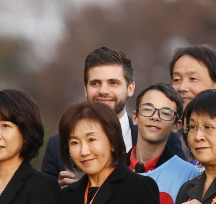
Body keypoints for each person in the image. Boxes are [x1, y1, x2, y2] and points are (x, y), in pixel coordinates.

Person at [42, 47, 186, 188]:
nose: (103, 91)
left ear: (130, 88)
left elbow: (184, 184)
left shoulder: (164, 137)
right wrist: (59, 193)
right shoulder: (58, 144)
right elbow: (43, 203)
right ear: (85, 89)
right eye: (95, 83)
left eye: (113, 83)